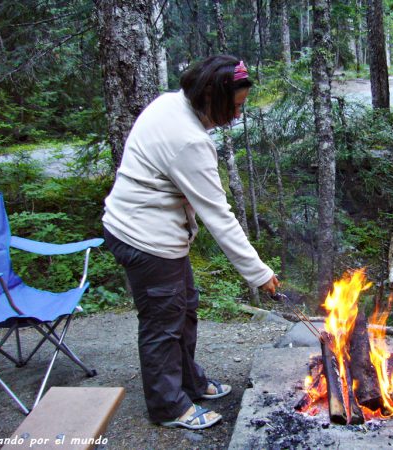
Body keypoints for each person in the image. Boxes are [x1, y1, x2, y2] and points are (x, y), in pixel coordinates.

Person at [102, 55, 279, 430]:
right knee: (163, 323)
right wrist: (259, 274)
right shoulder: (189, 141)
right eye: (234, 106)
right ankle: (168, 407)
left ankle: (189, 382)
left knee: (183, 309)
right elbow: (219, 217)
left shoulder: (170, 102)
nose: (236, 116)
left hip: (150, 232)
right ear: (212, 95)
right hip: (145, 238)